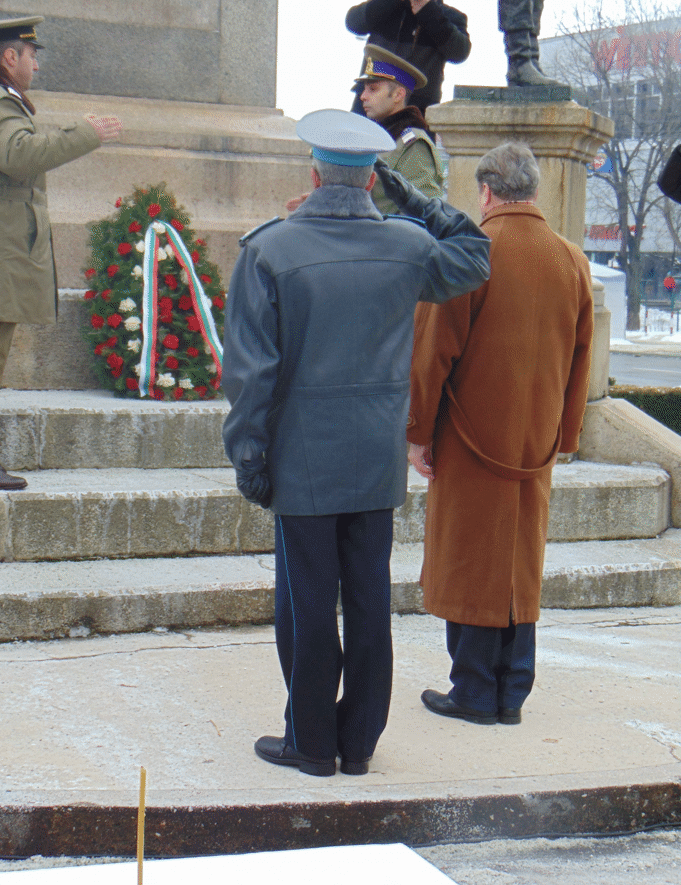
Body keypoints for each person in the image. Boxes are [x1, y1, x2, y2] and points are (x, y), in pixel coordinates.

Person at [221, 109, 491, 777]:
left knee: (307, 603)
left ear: (312, 175)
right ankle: (360, 741)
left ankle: (310, 741)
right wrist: (411, 194)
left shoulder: (269, 250)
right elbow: (475, 252)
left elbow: (251, 372)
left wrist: (247, 455)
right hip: (374, 456)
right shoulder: (406, 246)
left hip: (302, 458)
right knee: (369, 601)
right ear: (372, 180)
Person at [406, 141, 593, 725]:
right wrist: (564, 436)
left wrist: (417, 433)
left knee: (469, 559)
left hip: (469, 437)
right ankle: (512, 690)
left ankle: (472, 690)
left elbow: (432, 354)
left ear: (485, 193)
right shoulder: (572, 260)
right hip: (534, 442)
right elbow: (581, 362)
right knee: (518, 562)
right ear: (532, 191)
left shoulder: (472, 255)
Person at [0, 16, 122, 491]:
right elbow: (19, 156)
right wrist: (83, 133)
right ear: (10, 57)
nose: (36, 66)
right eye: (31, 56)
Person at [346, 0, 470, 114]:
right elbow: (353, 23)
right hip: (370, 103)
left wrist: (428, 13)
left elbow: (460, 52)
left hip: (417, 109)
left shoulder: (450, 17)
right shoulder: (387, 1)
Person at [355, 44, 446, 215]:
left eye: (373, 89)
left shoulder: (413, 144)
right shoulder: (377, 139)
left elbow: (422, 214)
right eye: (364, 89)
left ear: (398, 95)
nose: (363, 96)